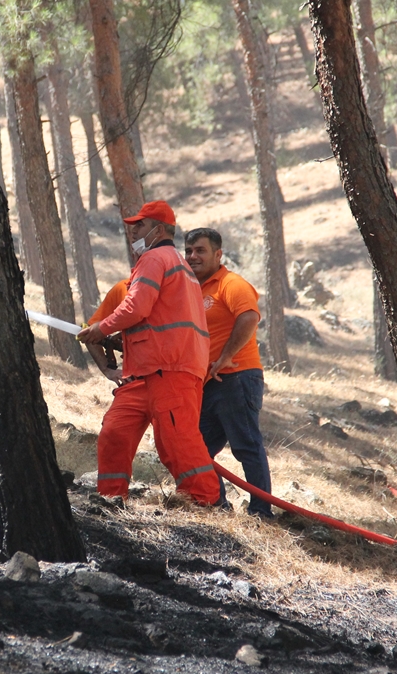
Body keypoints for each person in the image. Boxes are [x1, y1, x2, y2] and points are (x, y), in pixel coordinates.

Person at [77, 201, 223, 506]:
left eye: (140, 226)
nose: (133, 232)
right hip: (146, 372)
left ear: (159, 230)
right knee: (115, 432)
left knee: (177, 442)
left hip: (169, 370)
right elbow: (152, 316)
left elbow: (136, 307)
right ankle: (111, 500)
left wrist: (101, 329)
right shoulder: (173, 264)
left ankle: (205, 504)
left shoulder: (156, 258)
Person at [184, 227, 275, 517]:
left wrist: (225, 357)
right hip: (208, 382)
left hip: (237, 377)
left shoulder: (231, 284)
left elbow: (249, 317)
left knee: (246, 446)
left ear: (218, 254)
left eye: (200, 250)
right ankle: (218, 504)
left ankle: (261, 513)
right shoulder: (190, 289)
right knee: (197, 446)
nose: (193, 256)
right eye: (188, 251)